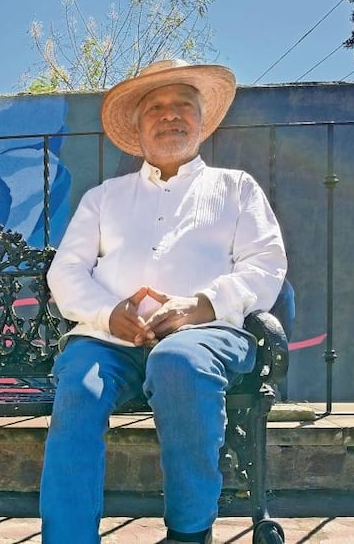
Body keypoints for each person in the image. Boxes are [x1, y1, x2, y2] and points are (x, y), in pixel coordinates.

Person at [40, 59, 287, 544]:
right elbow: (65, 272)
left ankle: (190, 532)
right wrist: (108, 313)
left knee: (177, 361)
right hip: (109, 339)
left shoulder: (236, 189)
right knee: (80, 388)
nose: (170, 115)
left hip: (207, 336)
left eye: (183, 105)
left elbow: (266, 265)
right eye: (156, 106)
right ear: (138, 125)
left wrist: (201, 305)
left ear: (200, 120)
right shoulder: (104, 198)